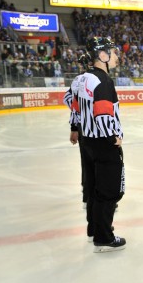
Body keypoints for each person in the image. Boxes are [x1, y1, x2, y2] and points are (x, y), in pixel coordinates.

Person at [77, 37, 126, 252]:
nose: (116, 56)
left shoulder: (83, 79)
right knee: (109, 191)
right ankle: (104, 237)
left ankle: (94, 230)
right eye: (113, 53)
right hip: (103, 144)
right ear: (103, 55)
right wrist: (112, 138)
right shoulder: (103, 81)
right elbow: (104, 113)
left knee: (96, 189)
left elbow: (74, 105)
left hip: (87, 140)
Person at [63, 54, 90, 209]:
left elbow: (69, 99)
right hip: (91, 130)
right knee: (92, 162)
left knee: (86, 162)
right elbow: (71, 101)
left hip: (82, 128)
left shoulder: (79, 80)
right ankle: (90, 193)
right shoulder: (88, 81)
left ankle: (87, 192)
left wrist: (74, 127)